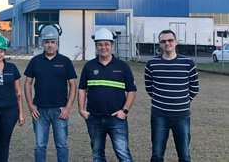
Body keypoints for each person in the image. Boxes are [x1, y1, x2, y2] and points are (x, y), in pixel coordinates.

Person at [78, 28, 137, 162]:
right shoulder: (89, 66)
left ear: (112, 46)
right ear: (96, 46)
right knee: (97, 154)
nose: (103, 47)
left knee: (123, 154)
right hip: (94, 118)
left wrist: (125, 111)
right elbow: (82, 89)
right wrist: (81, 110)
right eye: (100, 44)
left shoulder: (123, 66)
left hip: (117, 119)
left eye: (106, 44)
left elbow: (132, 90)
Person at [24, 24, 77, 162]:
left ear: (57, 43)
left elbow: (73, 85)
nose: (50, 45)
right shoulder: (35, 61)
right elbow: (27, 83)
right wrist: (31, 105)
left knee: (62, 145)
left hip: (60, 111)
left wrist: (68, 107)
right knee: (40, 145)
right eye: (47, 42)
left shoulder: (65, 62)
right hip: (39, 111)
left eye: (53, 42)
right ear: (43, 43)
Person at [144, 30, 199, 162]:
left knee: (184, 155)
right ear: (159, 44)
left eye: (170, 40)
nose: (167, 43)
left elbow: (195, 88)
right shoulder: (151, 64)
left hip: (181, 116)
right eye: (163, 41)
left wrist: (182, 101)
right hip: (159, 116)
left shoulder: (188, 63)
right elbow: (149, 88)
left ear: (176, 42)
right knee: (157, 155)